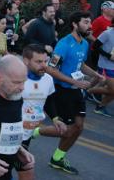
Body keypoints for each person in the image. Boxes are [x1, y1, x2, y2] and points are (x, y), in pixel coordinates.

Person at [45, 11, 105, 175]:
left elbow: (81, 65)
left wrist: (96, 74)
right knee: (67, 129)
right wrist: (74, 82)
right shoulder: (64, 43)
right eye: (86, 22)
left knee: (78, 127)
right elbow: (50, 69)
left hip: (75, 90)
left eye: (89, 22)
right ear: (75, 24)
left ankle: (57, 158)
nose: (90, 26)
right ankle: (34, 132)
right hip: (62, 91)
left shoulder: (84, 43)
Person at [20, 44, 67, 180]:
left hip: (27, 132)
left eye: (45, 61)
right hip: (9, 133)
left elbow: (49, 101)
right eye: (39, 62)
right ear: (26, 61)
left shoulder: (48, 79)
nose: (44, 65)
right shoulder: (17, 79)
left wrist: (55, 119)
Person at [89, 24, 114, 117]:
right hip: (106, 65)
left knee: (112, 91)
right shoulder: (107, 33)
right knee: (113, 90)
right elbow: (95, 46)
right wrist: (108, 56)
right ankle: (88, 91)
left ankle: (100, 107)